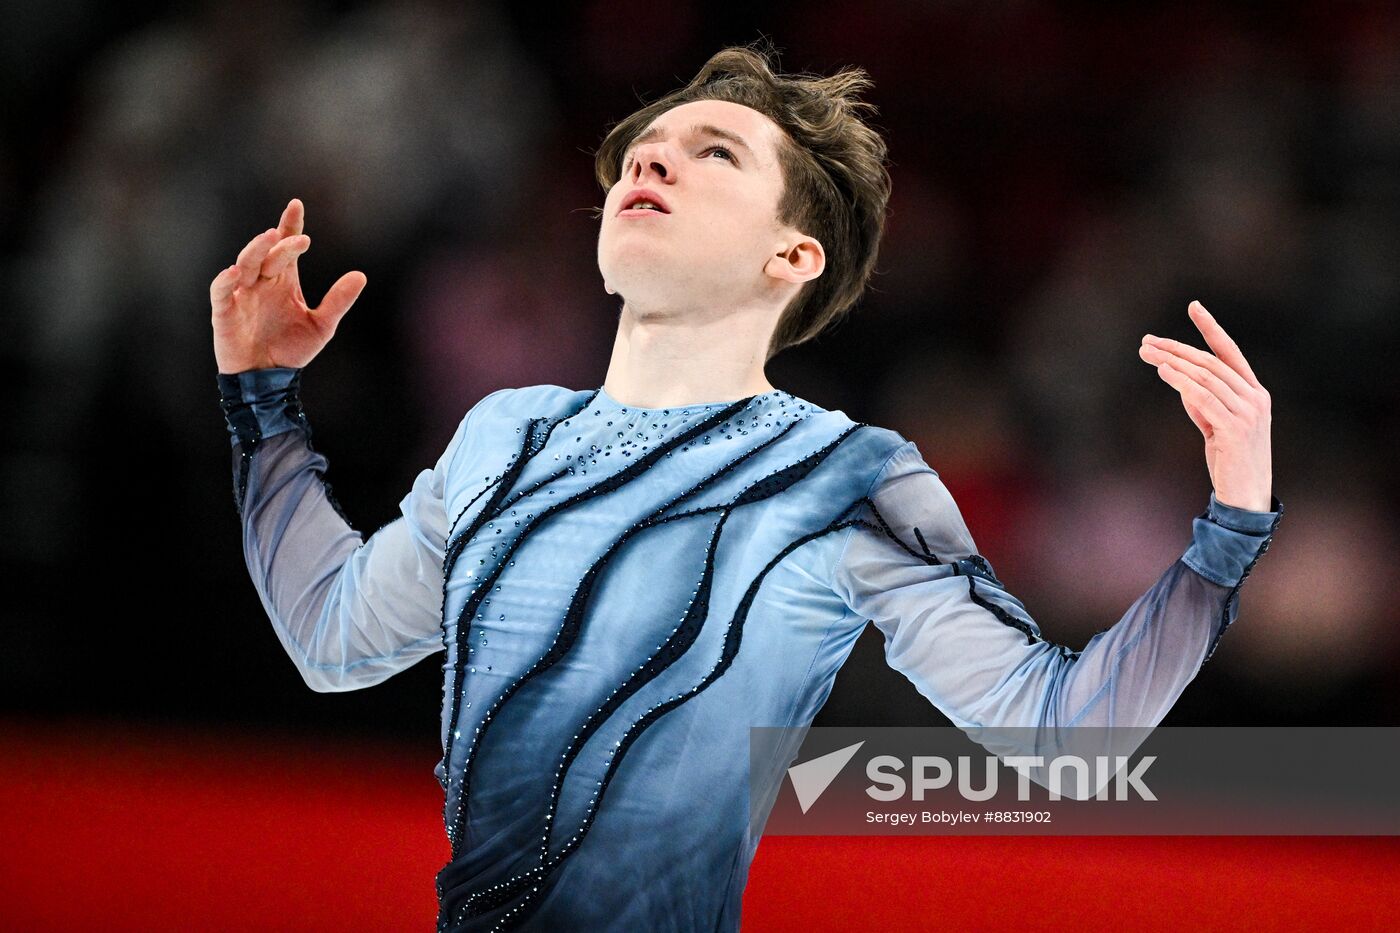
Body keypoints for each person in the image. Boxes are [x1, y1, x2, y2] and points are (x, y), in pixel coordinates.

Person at [210, 44, 1282, 933]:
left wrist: (1228, 528)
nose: (650, 159)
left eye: (712, 151)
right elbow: (333, 638)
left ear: (793, 256)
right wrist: (261, 398)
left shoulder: (845, 477)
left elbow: (1061, 738)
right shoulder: (504, 433)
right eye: (644, 148)